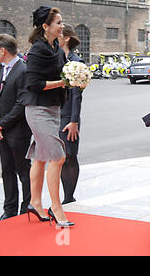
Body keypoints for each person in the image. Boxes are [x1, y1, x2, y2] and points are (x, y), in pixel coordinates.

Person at [24, 5, 73, 227]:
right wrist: (63, 83)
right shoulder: (37, 50)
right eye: (59, 23)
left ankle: (35, 201)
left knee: (41, 157)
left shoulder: (54, 47)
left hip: (53, 108)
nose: (62, 26)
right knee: (58, 156)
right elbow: (33, 84)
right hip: (38, 109)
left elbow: (61, 72)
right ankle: (56, 206)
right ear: (45, 26)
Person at [0, 34, 32, 221]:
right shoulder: (3, 69)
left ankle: (27, 208)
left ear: (3, 50)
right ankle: (9, 210)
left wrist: (2, 123)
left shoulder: (22, 70)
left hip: (19, 131)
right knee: (7, 170)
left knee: (23, 171)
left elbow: (21, 104)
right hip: (3, 129)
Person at [58, 25, 84, 204]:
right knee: (59, 157)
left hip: (68, 116)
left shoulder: (76, 63)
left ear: (66, 38)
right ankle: (63, 196)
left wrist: (74, 120)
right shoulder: (54, 59)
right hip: (53, 114)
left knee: (70, 155)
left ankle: (69, 197)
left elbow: (77, 95)